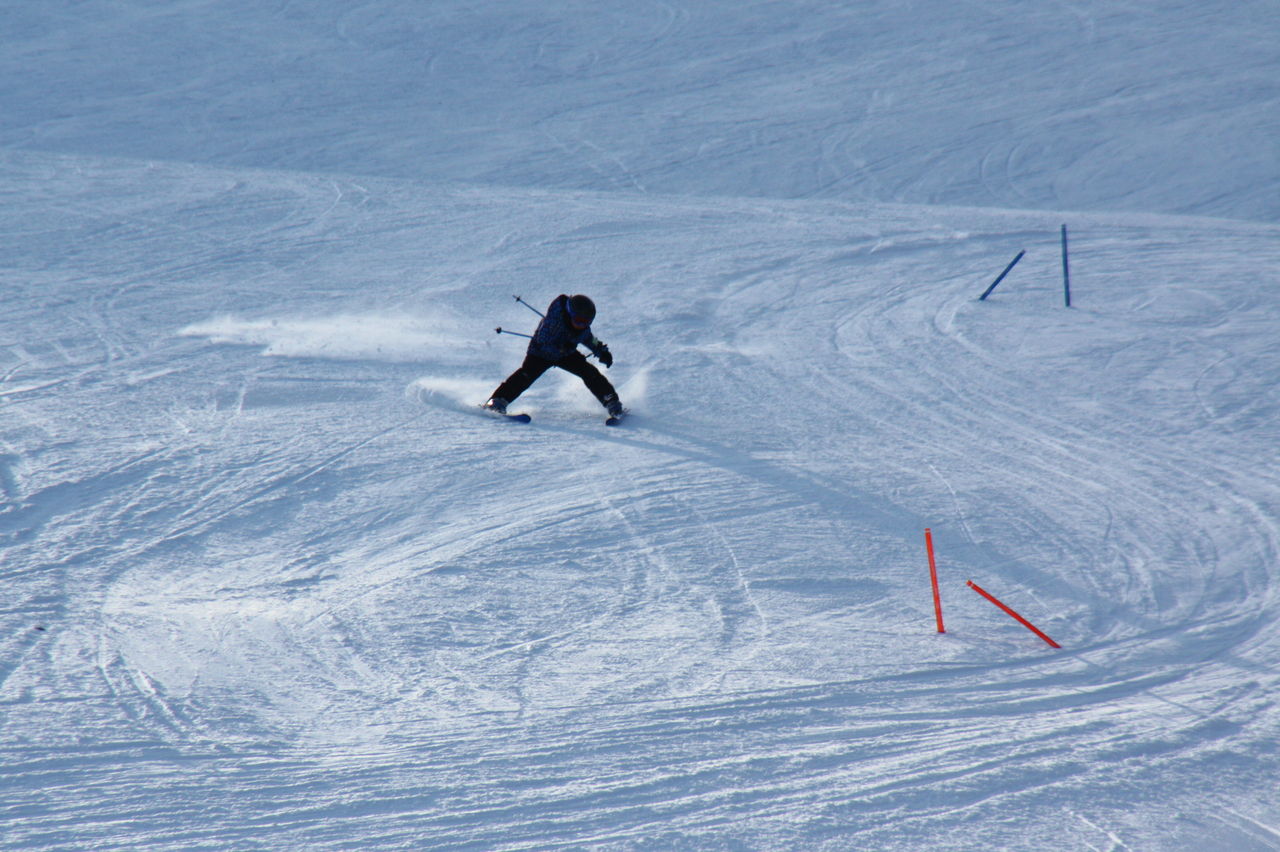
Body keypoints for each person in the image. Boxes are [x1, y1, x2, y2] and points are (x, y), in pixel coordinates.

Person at [486, 294, 624, 417]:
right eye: (578, 320)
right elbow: (543, 341)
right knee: (526, 375)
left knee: (590, 373)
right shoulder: (554, 321)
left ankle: (611, 402)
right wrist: (562, 349)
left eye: (586, 322)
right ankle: (497, 401)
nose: (581, 325)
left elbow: (588, 338)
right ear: (570, 314)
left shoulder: (581, 327)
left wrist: (601, 351)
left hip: (566, 353)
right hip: (540, 352)